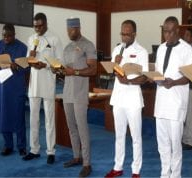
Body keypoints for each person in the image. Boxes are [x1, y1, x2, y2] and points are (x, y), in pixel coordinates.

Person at [105, 20, 148, 178]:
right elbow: (110, 72)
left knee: (136, 137)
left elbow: (144, 78)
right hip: (118, 98)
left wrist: (128, 80)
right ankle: (118, 166)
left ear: (134, 34)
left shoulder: (142, 51)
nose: (123, 37)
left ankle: (136, 170)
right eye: (122, 33)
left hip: (133, 99)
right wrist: (114, 63)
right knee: (119, 135)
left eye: (127, 34)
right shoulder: (117, 49)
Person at [154, 16, 192, 178]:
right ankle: (165, 173)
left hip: (177, 102)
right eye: (165, 31)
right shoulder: (161, 48)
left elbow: (190, 76)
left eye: (170, 32)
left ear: (178, 30)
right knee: (162, 144)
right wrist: (154, 77)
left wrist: (175, 82)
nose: (167, 35)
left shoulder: (186, 49)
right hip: (161, 101)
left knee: (175, 144)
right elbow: (158, 71)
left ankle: (175, 175)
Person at [57, 17, 97, 177]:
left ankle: (87, 163)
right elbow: (66, 70)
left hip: (80, 93)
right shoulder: (67, 48)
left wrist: (76, 72)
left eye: (71, 30)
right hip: (67, 92)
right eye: (67, 30)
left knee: (82, 129)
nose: (69, 32)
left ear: (78, 28)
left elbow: (93, 70)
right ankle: (76, 157)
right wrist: (58, 71)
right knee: (71, 128)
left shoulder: (88, 45)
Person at [22, 12, 63, 164]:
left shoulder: (55, 38)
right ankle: (34, 149)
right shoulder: (31, 38)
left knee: (49, 119)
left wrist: (45, 65)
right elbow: (27, 61)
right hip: (34, 84)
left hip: (48, 82)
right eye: (35, 26)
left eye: (40, 26)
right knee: (33, 118)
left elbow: (59, 63)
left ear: (45, 24)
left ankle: (51, 151)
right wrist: (30, 57)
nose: (37, 29)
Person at [0, 24, 28, 156]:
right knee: (4, 116)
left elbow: (27, 66)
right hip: (2, 88)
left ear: (14, 35)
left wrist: (17, 66)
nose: (6, 38)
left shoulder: (22, 47)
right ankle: (8, 145)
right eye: (4, 35)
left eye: (9, 36)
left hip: (16, 88)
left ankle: (21, 146)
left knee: (18, 117)